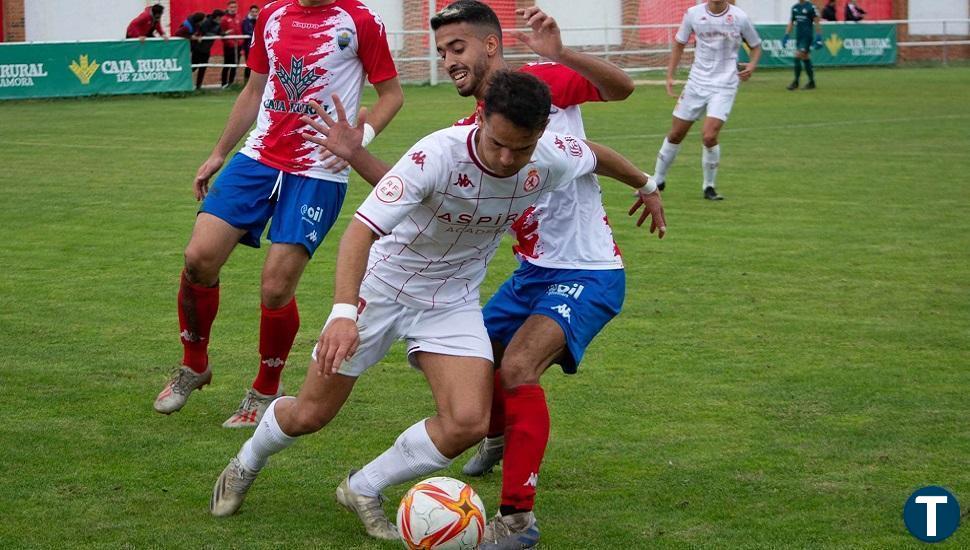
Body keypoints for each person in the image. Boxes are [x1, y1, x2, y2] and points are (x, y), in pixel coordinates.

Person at [208, 71, 666, 545]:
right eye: (498, 144)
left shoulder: (549, 155)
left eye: (522, 148)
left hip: (452, 300)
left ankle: (362, 487)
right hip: (382, 290)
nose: (508, 159)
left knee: (467, 421)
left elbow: (596, 157)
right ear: (481, 120)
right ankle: (247, 461)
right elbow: (359, 232)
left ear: (540, 136)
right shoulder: (436, 154)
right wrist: (343, 313)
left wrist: (647, 184)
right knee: (310, 414)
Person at [152, 0, 404, 429]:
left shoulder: (360, 20)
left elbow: (392, 94)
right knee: (199, 257)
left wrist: (359, 137)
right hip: (258, 157)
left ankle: (266, 388)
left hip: (319, 169)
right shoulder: (271, 14)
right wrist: (218, 153)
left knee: (275, 287)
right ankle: (194, 364)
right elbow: (253, 89)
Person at [651, 0, 762, 201]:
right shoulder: (693, 14)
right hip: (696, 83)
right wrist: (670, 76)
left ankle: (709, 187)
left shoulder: (739, 17)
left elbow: (756, 46)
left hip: (725, 84)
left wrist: (752, 66)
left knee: (709, 136)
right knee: (676, 134)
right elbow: (679, 44)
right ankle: (657, 180)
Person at [784, 0, 823, 91]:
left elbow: (817, 22)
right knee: (805, 57)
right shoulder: (795, 8)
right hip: (799, 37)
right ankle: (811, 82)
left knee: (797, 56)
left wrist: (819, 36)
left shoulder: (811, 7)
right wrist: (786, 35)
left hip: (807, 37)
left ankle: (796, 82)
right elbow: (791, 22)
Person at [193, 10, 225, 90]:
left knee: (203, 68)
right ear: (217, 17)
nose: (221, 19)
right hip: (198, 49)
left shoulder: (217, 24)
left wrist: (222, 33)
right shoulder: (206, 22)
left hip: (206, 49)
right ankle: (184, 84)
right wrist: (216, 34)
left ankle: (198, 87)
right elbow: (204, 32)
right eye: (221, 17)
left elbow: (219, 31)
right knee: (193, 67)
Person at [220, 1, 243, 88]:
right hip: (229, 46)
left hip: (238, 45)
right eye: (231, 7)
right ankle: (223, 83)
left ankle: (231, 83)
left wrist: (240, 41)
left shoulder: (239, 17)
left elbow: (240, 30)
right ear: (228, 8)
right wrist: (229, 42)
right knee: (227, 64)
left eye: (235, 7)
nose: (233, 9)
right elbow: (222, 33)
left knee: (235, 64)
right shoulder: (224, 19)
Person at [241, 5, 260, 84]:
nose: (254, 13)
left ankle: (255, 83)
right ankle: (246, 82)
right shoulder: (246, 21)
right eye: (253, 12)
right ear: (250, 12)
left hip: (258, 46)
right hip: (248, 46)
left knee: (257, 65)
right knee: (249, 65)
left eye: (256, 12)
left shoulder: (260, 20)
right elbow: (245, 31)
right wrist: (256, 33)